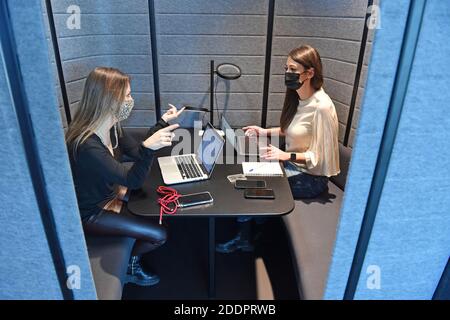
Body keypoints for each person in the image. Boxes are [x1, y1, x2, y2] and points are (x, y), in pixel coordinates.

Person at [66, 67, 184, 285]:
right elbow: (132, 179)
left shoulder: (111, 126)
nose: (132, 100)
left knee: (158, 205)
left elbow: (138, 152)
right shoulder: (86, 146)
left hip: (111, 194)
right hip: (92, 213)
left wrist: (161, 124)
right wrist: (149, 149)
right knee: (159, 235)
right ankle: (132, 264)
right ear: (109, 100)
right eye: (127, 96)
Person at [216, 45, 340, 254]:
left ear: (309, 73)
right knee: (246, 172)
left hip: (311, 179)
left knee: (252, 187)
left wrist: (284, 155)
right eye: (286, 68)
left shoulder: (322, 107)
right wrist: (263, 131)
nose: (287, 74)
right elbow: (292, 130)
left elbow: (320, 158)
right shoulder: (298, 97)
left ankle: (245, 238)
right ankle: (256, 228)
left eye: (293, 69)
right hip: (291, 167)